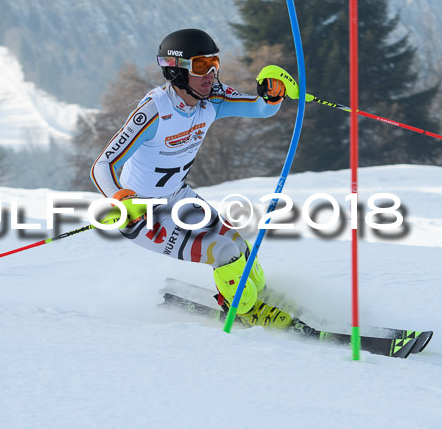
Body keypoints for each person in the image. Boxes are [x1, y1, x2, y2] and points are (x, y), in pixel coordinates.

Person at [90, 28, 292, 328]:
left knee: (239, 245)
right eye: (200, 65)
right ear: (177, 71)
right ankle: (246, 309)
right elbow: (102, 164)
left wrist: (273, 94)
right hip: (143, 214)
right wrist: (119, 197)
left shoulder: (213, 98)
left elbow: (260, 108)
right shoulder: (154, 112)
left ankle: (254, 294)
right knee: (223, 251)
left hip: (179, 197)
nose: (211, 73)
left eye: (214, 63)